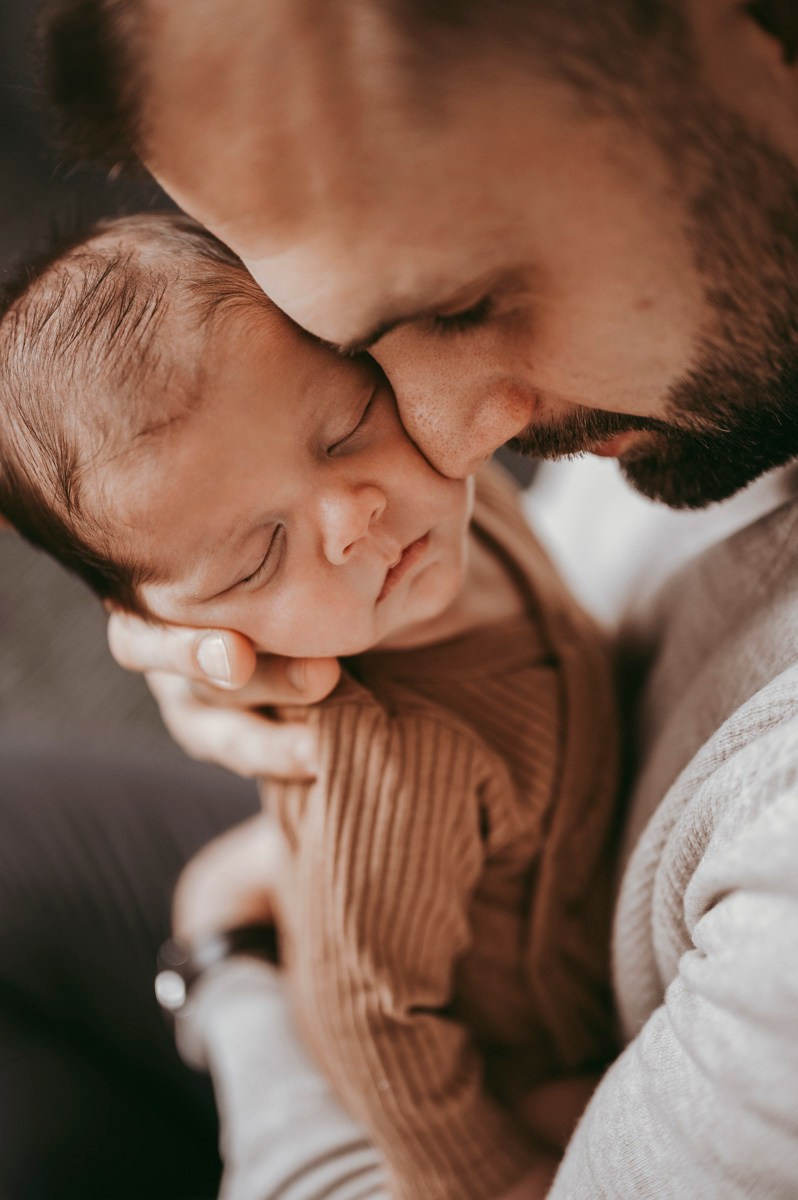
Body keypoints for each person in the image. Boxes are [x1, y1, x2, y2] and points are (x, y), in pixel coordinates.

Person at [26, 0, 798, 1195]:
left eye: (461, 303)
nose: (437, 447)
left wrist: (229, 955)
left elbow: (379, 1042)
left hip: (499, 1046)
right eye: (359, 356)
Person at [0, 211, 619, 1199]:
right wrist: (490, 1173)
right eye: (258, 555)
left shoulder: (457, 507)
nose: (353, 516)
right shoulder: (396, 766)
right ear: (171, 627)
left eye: (347, 427)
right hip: (534, 1052)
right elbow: (368, 1017)